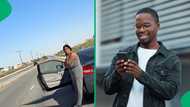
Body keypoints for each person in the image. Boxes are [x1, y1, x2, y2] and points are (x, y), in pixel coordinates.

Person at [103, 7, 181, 107]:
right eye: (138, 26)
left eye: (146, 26)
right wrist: (117, 74)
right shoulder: (124, 53)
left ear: (158, 26)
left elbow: (170, 92)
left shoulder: (170, 58)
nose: (141, 30)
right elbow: (107, 89)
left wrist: (141, 75)